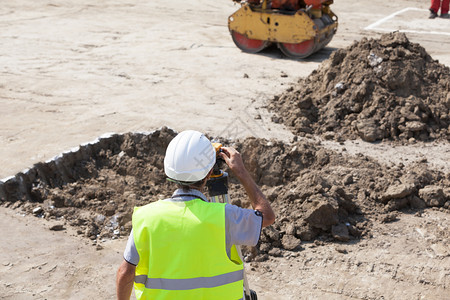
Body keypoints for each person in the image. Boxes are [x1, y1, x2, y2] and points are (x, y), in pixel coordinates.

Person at [116, 130, 276, 300]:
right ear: (208, 174)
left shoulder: (146, 218)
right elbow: (267, 216)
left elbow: (125, 272)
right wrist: (241, 171)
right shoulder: (225, 216)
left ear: (168, 172)